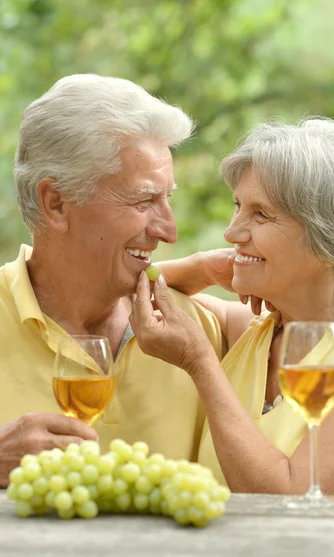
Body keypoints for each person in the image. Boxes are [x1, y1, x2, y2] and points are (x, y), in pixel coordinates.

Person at [131, 117, 334, 498]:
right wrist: (200, 267)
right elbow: (125, 291)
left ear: (328, 234)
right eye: (238, 205)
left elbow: (291, 500)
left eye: (260, 214)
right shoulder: (255, 330)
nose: (232, 232)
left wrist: (200, 363)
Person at [0, 74, 228, 487]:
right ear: (56, 203)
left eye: (167, 198)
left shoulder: (196, 332)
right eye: (143, 200)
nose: (169, 231)